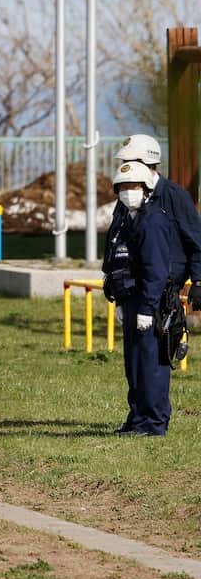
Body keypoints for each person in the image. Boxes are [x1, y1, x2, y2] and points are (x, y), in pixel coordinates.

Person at [103, 162, 173, 436]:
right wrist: (119, 302)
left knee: (150, 364)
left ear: (145, 189)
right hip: (129, 299)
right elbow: (116, 260)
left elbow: (156, 271)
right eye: (122, 187)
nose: (127, 191)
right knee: (133, 364)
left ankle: (154, 422)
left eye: (133, 186)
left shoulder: (153, 220)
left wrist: (147, 308)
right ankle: (137, 417)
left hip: (149, 303)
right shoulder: (123, 218)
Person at [114, 134, 201, 309]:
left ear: (147, 162)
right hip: (132, 288)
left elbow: (196, 241)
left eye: (130, 160)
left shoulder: (174, 195)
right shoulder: (126, 197)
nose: (126, 166)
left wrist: (198, 281)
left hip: (165, 290)